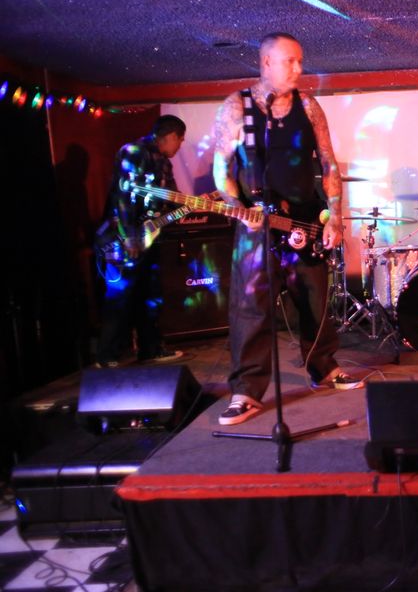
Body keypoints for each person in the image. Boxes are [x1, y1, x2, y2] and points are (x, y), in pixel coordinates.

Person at [212, 32, 359, 426]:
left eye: (300, 61)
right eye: (289, 61)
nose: (298, 68)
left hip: (304, 222)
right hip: (257, 224)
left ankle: (323, 368)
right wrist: (236, 206)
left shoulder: (308, 106)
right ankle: (246, 391)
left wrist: (335, 216)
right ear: (265, 63)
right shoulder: (237, 106)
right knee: (251, 308)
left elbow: (328, 163)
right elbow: (222, 168)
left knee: (314, 299)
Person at [95, 115, 187, 368]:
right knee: (119, 296)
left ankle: (151, 349)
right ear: (171, 136)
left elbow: (171, 197)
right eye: (180, 140)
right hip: (122, 238)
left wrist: (190, 205)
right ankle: (106, 356)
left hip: (149, 237)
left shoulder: (164, 163)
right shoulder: (134, 152)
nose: (180, 145)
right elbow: (123, 197)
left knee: (150, 294)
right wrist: (128, 237)